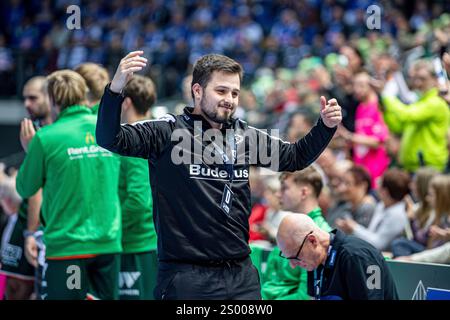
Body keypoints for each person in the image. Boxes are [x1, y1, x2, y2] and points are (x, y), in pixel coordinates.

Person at [96, 51, 342, 300]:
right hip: (186, 277)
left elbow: (295, 157)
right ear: (198, 91)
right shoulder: (166, 131)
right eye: (221, 91)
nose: (230, 100)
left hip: (241, 276)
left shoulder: (245, 137)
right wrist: (115, 90)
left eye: (235, 93)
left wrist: (325, 127)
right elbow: (109, 138)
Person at [15, 70, 122, 300]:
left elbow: (25, 188)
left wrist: (30, 151)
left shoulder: (46, 138)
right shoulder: (107, 129)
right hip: (108, 244)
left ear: (53, 100)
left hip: (68, 249)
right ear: (83, 95)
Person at [277, 214, 399, 300]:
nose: (293, 265)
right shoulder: (313, 261)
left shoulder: (356, 256)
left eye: (295, 257)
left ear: (313, 241)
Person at [262, 167, 331, 300]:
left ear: (304, 192)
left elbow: (306, 297)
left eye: (284, 188)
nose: (277, 194)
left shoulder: (320, 235)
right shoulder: (288, 228)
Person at [118, 75, 158, 300]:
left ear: (126, 103)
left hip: (137, 244)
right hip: (149, 241)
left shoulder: (134, 140)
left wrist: (112, 226)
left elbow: (138, 200)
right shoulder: (157, 132)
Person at [380, 59, 450, 172]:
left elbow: (406, 115)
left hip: (429, 167)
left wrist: (387, 97)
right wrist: (386, 109)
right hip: (416, 166)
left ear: (435, 79)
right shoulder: (422, 101)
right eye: (416, 79)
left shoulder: (436, 102)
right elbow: (398, 126)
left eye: (423, 78)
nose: (418, 83)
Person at [336, 168, 410, 252]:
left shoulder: (397, 215)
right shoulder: (382, 205)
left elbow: (378, 244)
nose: (377, 183)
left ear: (385, 192)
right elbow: (370, 233)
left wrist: (354, 227)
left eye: (380, 183)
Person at [338, 71, 390, 187]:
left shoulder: (378, 107)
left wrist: (349, 136)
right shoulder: (360, 108)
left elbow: (377, 142)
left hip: (377, 171)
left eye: (361, 85)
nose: (357, 89)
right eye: (355, 85)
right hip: (363, 170)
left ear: (371, 86)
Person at [0, 172, 34, 299]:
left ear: (8, 200)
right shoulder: (9, 220)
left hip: (20, 273)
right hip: (9, 271)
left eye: (2, 199)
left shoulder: (25, 221)